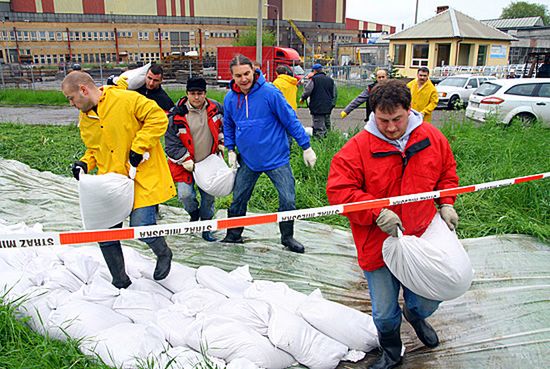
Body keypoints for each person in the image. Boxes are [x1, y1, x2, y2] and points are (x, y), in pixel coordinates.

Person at [326, 79, 459, 369]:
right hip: (377, 241)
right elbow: (339, 191)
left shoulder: (432, 138)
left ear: (409, 110)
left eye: (396, 119)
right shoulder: (357, 148)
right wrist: (377, 211)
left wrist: (446, 202)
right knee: (385, 314)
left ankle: (416, 316)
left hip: (421, 234)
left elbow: (447, 172)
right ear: (373, 114)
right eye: (382, 120)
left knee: (425, 300)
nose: (390, 127)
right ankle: (392, 349)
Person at [62, 71, 176, 289]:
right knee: (105, 232)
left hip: (141, 176)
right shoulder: (86, 118)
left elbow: (158, 118)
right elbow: (94, 149)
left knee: (142, 227)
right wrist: (85, 163)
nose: (71, 103)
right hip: (112, 181)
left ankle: (164, 252)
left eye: (71, 98)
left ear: (83, 90)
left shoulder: (126, 99)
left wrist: (138, 146)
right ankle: (120, 280)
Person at [221, 54, 317, 253]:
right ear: (232, 76)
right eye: (238, 76)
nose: (244, 79)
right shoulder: (230, 98)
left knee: (288, 199)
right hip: (248, 159)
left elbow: (289, 119)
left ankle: (287, 237)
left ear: (254, 71)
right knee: (239, 198)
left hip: (276, 158)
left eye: (246, 73)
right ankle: (233, 234)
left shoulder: (270, 93)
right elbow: (228, 125)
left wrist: (306, 146)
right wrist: (230, 149)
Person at [164, 76, 224, 242]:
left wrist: (222, 141)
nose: (196, 97)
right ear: (187, 94)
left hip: (209, 163)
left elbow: (227, 126)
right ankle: (194, 214)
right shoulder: (176, 114)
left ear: (205, 93)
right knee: (185, 195)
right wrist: (184, 159)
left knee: (208, 198)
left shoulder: (216, 108)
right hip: (185, 165)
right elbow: (170, 144)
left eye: (200, 93)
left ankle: (206, 227)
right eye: (192, 93)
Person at [300, 63, 337, 138]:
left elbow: (308, 90)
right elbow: (334, 93)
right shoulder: (330, 80)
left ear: (314, 71)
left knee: (318, 125)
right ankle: (329, 139)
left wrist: (303, 98)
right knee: (326, 123)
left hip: (317, 105)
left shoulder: (314, 79)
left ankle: (320, 142)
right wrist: (332, 103)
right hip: (328, 105)